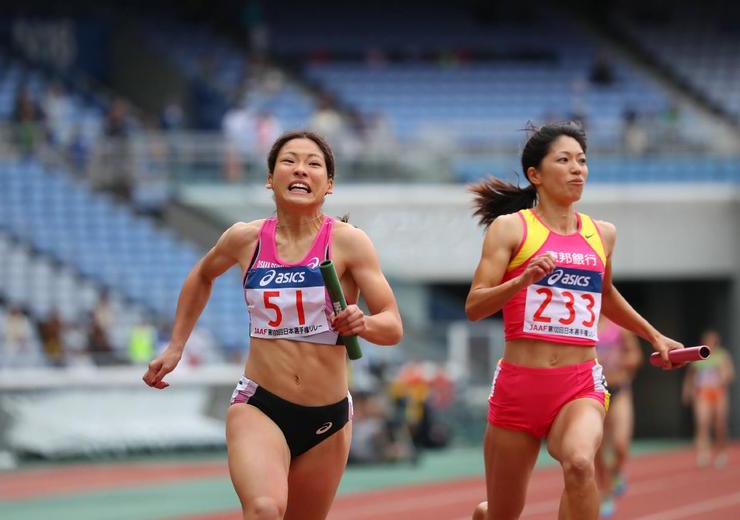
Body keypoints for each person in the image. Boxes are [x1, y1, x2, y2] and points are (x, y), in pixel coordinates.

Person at [142, 130, 403, 520]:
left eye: (313, 164)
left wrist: (362, 322)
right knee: (264, 508)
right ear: (270, 178)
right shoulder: (244, 239)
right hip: (260, 405)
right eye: (289, 161)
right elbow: (201, 276)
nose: (301, 169)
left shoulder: (350, 243)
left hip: (327, 417)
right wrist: (177, 344)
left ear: (328, 185)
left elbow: (393, 325)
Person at [464, 121, 683, 520]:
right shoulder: (510, 229)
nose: (577, 169)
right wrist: (522, 280)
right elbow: (475, 306)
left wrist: (654, 336)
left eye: (582, 161)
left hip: (579, 382)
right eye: (563, 160)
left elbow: (606, 295)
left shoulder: (602, 234)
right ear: (536, 175)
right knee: (503, 513)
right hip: (519, 385)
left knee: (581, 465)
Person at [594, 316, 642, 517]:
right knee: (598, 448)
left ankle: (616, 473)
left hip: (619, 390)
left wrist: (622, 361)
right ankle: (605, 493)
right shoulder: (584, 322)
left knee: (621, 444)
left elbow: (636, 356)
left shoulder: (619, 328)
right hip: (595, 390)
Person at [682, 329, 735, 468]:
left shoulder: (721, 356)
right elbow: (690, 375)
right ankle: (703, 454)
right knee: (702, 423)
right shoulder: (698, 355)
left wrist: (722, 378)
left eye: (712, 340)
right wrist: (687, 391)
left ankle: (720, 452)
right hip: (702, 393)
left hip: (718, 392)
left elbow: (729, 373)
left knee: (719, 425)